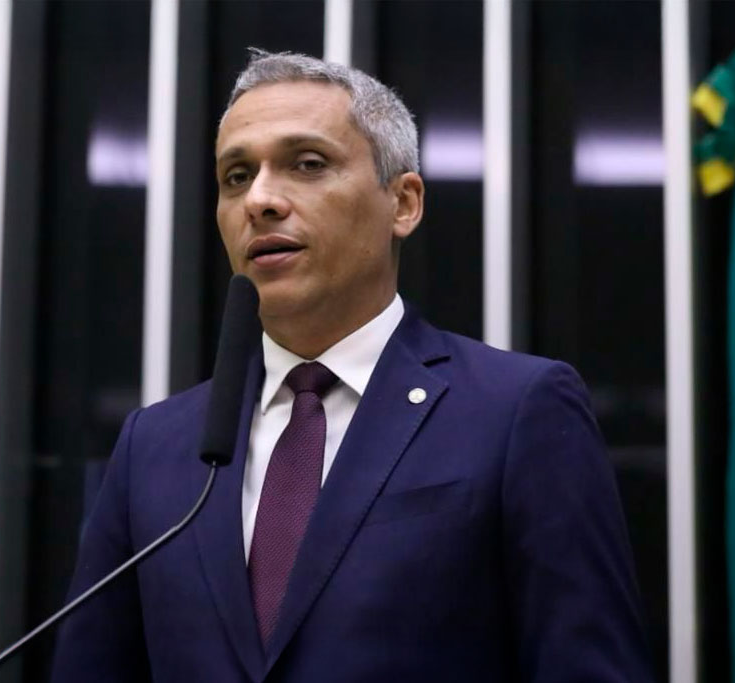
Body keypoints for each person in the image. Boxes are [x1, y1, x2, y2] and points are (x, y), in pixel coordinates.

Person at [51, 50, 652, 682]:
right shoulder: (155, 445)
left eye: (307, 164)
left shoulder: (517, 411)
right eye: (236, 176)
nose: (259, 199)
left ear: (404, 203)